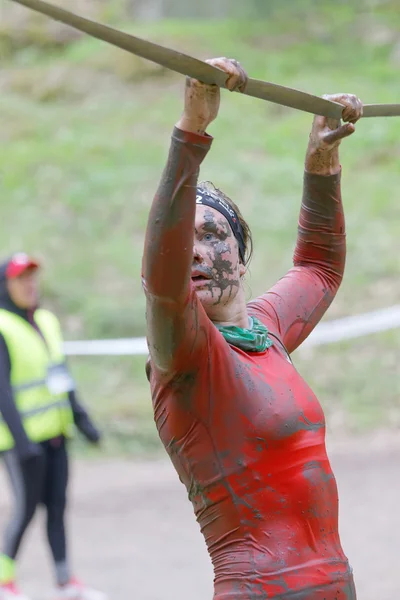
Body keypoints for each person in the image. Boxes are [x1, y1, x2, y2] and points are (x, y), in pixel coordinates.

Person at [142, 57, 362, 599]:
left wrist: (322, 158)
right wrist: (192, 130)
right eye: (182, 240)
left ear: (240, 259)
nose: (193, 251)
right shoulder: (187, 355)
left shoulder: (263, 331)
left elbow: (319, 266)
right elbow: (165, 285)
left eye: (211, 235)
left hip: (337, 585)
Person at [0, 253, 106, 600]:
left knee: (57, 508)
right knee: (26, 509)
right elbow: (2, 392)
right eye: (21, 279)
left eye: (33, 277)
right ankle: (4, 582)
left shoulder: (46, 320)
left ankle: (64, 582)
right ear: (6, 286)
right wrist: (22, 442)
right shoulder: (2, 327)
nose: (30, 285)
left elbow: (59, 375)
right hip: (22, 444)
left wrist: (82, 419)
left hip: (56, 435)